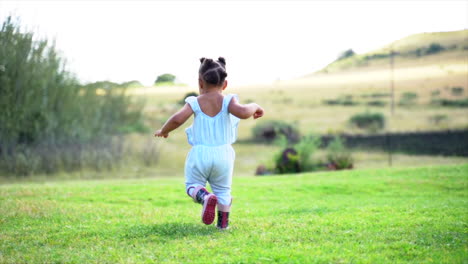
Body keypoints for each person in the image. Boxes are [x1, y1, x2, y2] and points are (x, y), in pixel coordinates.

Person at [154, 57, 264, 229]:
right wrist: (256, 106)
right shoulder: (229, 101)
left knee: (192, 185)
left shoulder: (195, 102)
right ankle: (223, 226)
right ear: (225, 84)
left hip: (200, 154)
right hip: (224, 155)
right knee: (223, 191)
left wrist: (164, 131)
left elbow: (177, 119)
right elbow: (243, 112)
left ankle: (205, 197)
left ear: (200, 82)